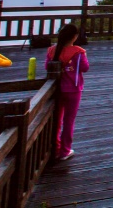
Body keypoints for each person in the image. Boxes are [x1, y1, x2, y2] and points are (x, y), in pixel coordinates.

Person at [45, 24, 89, 161]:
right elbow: (85, 68)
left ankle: (55, 148)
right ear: (75, 37)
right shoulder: (78, 52)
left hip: (57, 89)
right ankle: (65, 150)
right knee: (68, 121)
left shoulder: (52, 50)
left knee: (57, 120)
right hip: (73, 90)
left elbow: (47, 66)